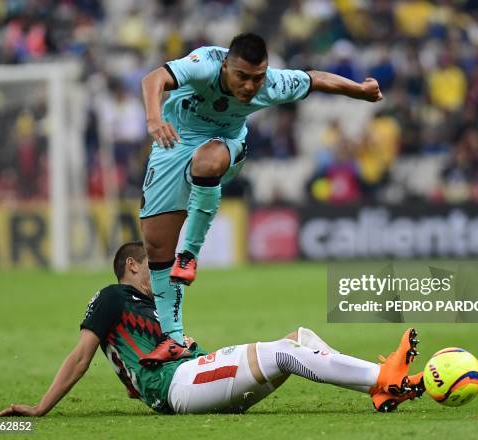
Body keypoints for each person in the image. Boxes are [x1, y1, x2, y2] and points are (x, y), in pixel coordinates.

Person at [139, 33, 384, 360]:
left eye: (257, 78)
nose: (250, 86)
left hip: (224, 144)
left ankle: (190, 254)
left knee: (207, 161)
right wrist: (154, 118)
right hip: (173, 141)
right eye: (242, 76)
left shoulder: (273, 83)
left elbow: (315, 78)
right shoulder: (203, 66)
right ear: (226, 66)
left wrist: (360, 90)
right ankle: (173, 337)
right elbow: (154, 78)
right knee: (155, 246)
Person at [0, 242, 424, 417]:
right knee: (282, 354)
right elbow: (80, 357)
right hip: (175, 389)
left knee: (300, 338)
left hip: (187, 376)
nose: (159, 271)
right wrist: (39, 410)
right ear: (131, 265)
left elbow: (134, 370)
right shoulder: (113, 297)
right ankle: (384, 380)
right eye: (152, 265)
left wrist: (183, 346)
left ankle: (381, 382)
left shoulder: (151, 306)